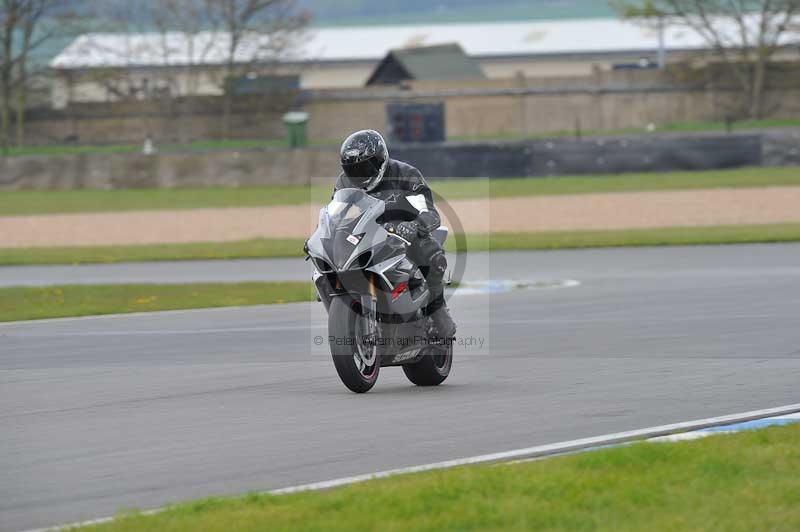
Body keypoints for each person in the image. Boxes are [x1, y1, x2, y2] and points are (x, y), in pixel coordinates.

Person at [333, 129, 456, 338]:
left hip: (404, 234)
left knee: (434, 258)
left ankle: (437, 311)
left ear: (381, 161)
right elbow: (336, 214)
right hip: (367, 235)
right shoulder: (344, 182)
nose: (360, 175)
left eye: (365, 167)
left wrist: (415, 226)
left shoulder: (405, 175)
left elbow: (430, 212)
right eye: (354, 170)